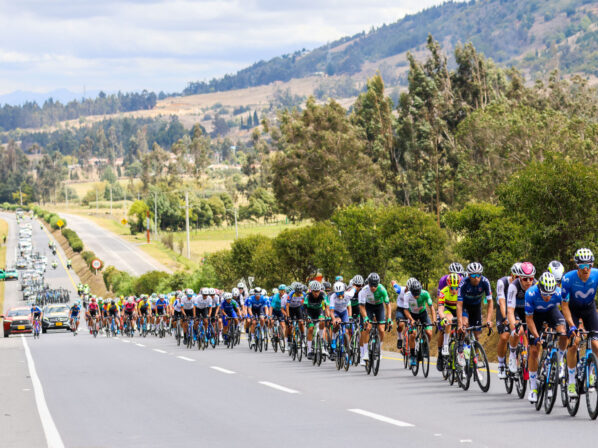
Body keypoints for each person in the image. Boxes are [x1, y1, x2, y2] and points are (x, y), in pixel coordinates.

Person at [525, 272, 568, 403]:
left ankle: (559, 360)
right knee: (534, 350)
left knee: (563, 333)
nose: (548, 297)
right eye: (545, 294)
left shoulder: (559, 293)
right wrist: (537, 337)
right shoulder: (530, 293)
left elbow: (567, 310)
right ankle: (533, 388)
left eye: (550, 294)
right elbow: (529, 319)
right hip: (535, 316)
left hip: (551, 311)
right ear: (539, 289)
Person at [561, 248, 598, 398]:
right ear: (577, 265)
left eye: (589, 265)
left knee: (596, 344)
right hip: (573, 310)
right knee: (574, 343)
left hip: (589, 309)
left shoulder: (596, 275)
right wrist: (572, 325)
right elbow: (564, 306)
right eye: (582, 265)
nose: (586, 269)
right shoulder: (568, 279)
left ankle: (592, 372)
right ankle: (571, 382)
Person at [456, 262, 493, 366]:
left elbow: (490, 302)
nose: (476, 278)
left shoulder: (485, 282)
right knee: (464, 325)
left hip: (476, 307)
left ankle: (474, 360)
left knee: (477, 335)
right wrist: (459, 324)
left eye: (478, 275)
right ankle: (460, 349)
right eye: (473, 275)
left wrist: (489, 320)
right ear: (469, 275)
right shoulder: (463, 283)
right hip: (465, 306)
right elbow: (459, 305)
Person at [506, 262, 536, 374]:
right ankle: (513, 354)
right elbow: (510, 310)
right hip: (516, 310)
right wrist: (514, 327)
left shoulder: (536, 285)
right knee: (519, 331)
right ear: (520, 278)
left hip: (529, 310)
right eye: (525, 279)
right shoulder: (513, 286)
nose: (528, 281)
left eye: (531, 278)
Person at [358, 273, 391, 366]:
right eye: (371, 285)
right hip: (368, 307)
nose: (373, 288)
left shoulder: (382, 289)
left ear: (378, 284)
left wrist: (389, 319)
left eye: (375, 285)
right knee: (367, 328)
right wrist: (365, 318)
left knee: (381, 329)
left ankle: (379, 349)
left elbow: (388, 305)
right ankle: (365, 352)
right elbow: (361, 306)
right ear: (368, 283)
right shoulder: (364, 290)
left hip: (379, 307)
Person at [403, 278, 436, 367]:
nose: (416, 296)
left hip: (423, 314)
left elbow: (431, 307)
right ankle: (412, 355)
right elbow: (405, 310)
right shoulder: (407, 295)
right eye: (414, 294)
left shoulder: (425, 294)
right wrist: (411, 319)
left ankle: (424, 347)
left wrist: (434, 319)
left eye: (417, 294)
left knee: (429, 332)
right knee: (412, 334)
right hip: (412, 315)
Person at [495, 263, 520, 379]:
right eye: (517, 277)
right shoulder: (502, 282)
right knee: (505, 336)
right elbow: (502, 301)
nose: (519, 280)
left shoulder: (524, 283)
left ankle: (519, 360)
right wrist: (505, 318)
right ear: (512, 275)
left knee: (522, 332)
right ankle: (501, 364)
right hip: (504, 308)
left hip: (516, 308)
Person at [436, 273, 461, 370]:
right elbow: (440, 308)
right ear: (448, 286)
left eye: (456, 288)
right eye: (452, 288)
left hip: (458, 309)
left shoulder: (461, 290)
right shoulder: (443, 291)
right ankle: (445, 345)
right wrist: (443, 317)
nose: (454, 290)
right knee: (449, 320)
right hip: (448, 310)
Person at [304, 280, 329, 360]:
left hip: (319, 311)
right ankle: (309, 351)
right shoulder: (307, 296)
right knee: (311, 329)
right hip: (310, 312)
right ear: (311, 291)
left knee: (322, 322)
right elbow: (304, 308)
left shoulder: (323, 294)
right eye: (314, 291)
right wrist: (307, 316)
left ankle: (321, 341)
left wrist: (327, 315)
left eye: (317, 291)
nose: (316, 293)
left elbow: (327, 306)